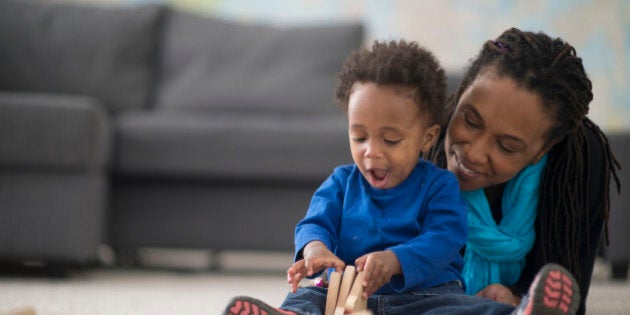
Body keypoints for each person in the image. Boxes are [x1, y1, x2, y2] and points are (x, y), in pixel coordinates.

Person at [225, 39, 469, 315]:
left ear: (427, 138)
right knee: (306, 297)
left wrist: (396, 260)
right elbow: (315, 223)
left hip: (424, 294)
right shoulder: (341, 182)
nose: (371, 152)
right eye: (360, 137)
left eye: (390, 139)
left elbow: (445, 237)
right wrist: (315, 250)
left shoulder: (440, 185)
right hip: (341, 295)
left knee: (457, 306)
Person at [427, 27, 621, 315]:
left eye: (506, 146)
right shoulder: (423, 129)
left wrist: (517, 298)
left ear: (544, 148)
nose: (474, 153)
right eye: (470, 120)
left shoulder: (576, 163)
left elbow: (567, 295)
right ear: (464, 90)